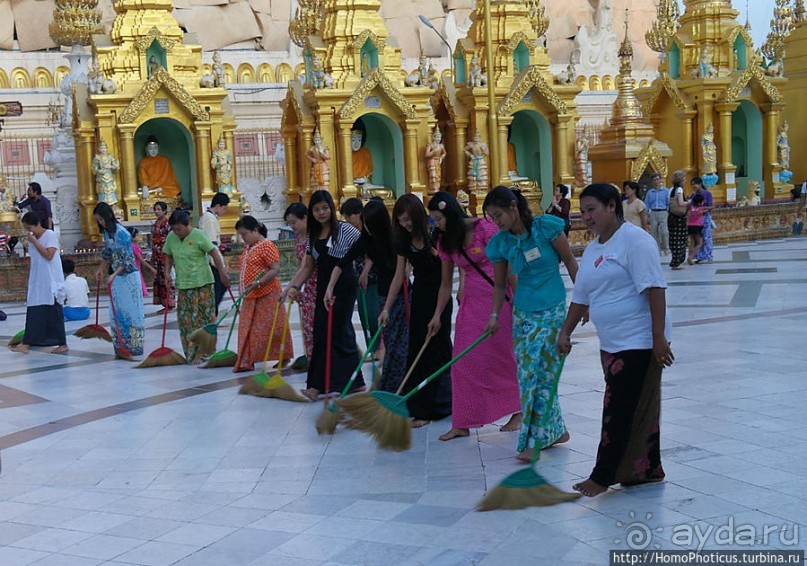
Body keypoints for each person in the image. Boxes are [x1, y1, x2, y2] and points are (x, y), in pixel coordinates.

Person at [558, 183, 671, 497]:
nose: (586, 217)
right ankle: (645, 470)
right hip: (611, 343)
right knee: (636, 408)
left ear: (612, 206)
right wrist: (565, 332)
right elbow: (581, 297)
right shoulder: (595, 247)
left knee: (617, 408)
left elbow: (655, 288)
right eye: (583, 211)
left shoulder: (635, 241)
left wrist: (659, 338)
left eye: (592, 209)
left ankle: (602, 475)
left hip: (639, 341)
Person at [483, 186, 579, 461]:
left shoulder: (546, 228)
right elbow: (500, 285)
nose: (497, 221)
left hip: (552, 308)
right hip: (524, 312)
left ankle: (532, 443)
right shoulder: (501, 243)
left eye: (499, 214)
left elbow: (571, 261)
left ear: (514, 207)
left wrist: (584, 301)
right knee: (527, 375)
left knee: (545, 373)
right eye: (492, 217)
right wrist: (493, 316)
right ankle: (557, 431)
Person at [427, 191, 521, 441]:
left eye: (439, 219)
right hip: (470, 304)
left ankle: (518, 408)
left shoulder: (484, 228)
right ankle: (462, 422)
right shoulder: (445, 240)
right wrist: (437, 315)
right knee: (461, 362)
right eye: (434, 220)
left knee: (502, 358)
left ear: (450, 213)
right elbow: (446, 284)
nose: (437, 225)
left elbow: (507, 265)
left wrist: (519, 299)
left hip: (497, 299)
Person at [282, 190, 364, 400]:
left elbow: (367, 245)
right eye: (316, 209)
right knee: (320, 332)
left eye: (325, 208)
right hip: (323, 286)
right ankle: (318, 385)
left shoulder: (345, 230)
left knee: (338, 330)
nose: (321, 212)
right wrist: (295, 286)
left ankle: (353, 383)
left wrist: (365, 271)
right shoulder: (313, 236)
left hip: (344, 285)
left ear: (331, 208)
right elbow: (309, 266)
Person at [379, 194, 452, 427]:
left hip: (440, 297)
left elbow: (447, 278)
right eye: (401, 220)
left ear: (418, 215)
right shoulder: (403, 241)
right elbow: (399, 276)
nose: (405, 224)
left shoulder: (436, 236)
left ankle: (437, 407)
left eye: (408, 219)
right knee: (418, 351)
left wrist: (439, 314)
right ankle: (418, 406)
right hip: (419, 299)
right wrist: (387, 308)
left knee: (436, 351)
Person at [328, 200, 407, 392]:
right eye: (366, 225)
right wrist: (330, 288)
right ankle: (390, 385)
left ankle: (400, 385)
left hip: (401, 296)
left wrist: (388, 307)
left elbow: (400, 276)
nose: (368, 230)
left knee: (401, 344)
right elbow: (343, 262)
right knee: (389, 340)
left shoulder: (396, 240)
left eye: (371, 226)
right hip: (383, 294)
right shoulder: (366, 239)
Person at [163, 209, 230, 364]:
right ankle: (191, 353)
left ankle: (203, 353)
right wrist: (167, 272)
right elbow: (167, 254)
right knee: (186, 321)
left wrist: (222, 273)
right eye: (174, 229)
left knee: (203, 319)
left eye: (179, 229)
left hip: (203, 284)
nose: (176, 232)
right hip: (184, 285)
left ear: (188, 225)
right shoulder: (171, 237)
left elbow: (214, 252)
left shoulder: (199, 235)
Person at [234, 215, 292, 372]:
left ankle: (283, 356)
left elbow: (275, 269)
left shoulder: (267, 246)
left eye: (245, 234)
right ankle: (246, 359)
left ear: (255, 230)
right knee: (247, 327)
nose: (243, 238)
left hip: (268, 293)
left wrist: (259, 282)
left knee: (272, 328)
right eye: (241, 235)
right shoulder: (248, 247)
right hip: (249, 294)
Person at [93, 202, 146, 358]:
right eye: (98, 221)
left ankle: (133, 346)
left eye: (101, 219)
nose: (100, 223)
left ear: (108, 216)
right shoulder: (107, 233)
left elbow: (127, 260)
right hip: (117, 278)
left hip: (128, 277)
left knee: (131, 311)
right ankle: (120, 345)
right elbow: (108, 253)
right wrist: (101, 268)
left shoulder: (122, 233)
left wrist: (113, 274)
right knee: (117, 311)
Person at [11, 212, 67, 354]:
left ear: (37, 224)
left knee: (54, 312)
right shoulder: (33, 239)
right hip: (38, 281)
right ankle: (28, 343)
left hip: (50, 281)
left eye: (30, 227)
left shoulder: (50, 235)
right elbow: (35, 261)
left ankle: (62, 343)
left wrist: (35, 242)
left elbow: (49, 255)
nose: (29, 231)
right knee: (34, 312)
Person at [340, 197, 380, 353]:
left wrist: (364, 273)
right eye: (345, 218)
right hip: (359, 278)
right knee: (364, 315)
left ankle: (379, 348)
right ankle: (372, 348)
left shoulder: (370, 229)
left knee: (373, 314)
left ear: (359, 213)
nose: (348, 221)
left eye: (349, 216)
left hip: (374, 277)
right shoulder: (351, 233)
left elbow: (372, 254)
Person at [285, 202, 316, 371]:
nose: (292, 226)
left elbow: (307, 266)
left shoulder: (314, 237)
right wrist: (297, 287)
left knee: (316, 325)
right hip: (307, 286)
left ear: (305, 218)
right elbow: (300, 265)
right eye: (289, 223)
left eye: (294, 222)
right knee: (307, 325)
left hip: (318, 284)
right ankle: (312, 360)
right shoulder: (297, 238)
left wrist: (292, 286)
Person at [199, 192, 230, 313]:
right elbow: (211, 243)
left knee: (219, 288)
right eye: (224, 208)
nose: (225, 211)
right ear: (218, 206)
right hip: (211, 260)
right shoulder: (210, 219)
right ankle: (212, 315)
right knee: (218, 287)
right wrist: (217, 263)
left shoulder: (210, 217)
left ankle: (212, 314)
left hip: (212, 258)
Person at [151, 201, 175, 310]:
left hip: (165, 254)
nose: (157, 212)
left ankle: (170, 303)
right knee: (159, 278)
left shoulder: (168, 223)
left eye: (159, 209)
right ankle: (163, 303)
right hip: (157, 255)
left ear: (165, 211)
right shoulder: (155, 224)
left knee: (166, 277)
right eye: (155, 209)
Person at [668, 170, 689, 270]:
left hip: (671, 216)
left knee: (673, 239)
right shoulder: (679, 189)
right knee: (680, 240)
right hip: (679, 218)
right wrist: (689, 202)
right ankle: (678, 262)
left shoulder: (671, 189)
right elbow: (681, 203)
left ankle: (674, 261)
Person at [644, 173, 669, 255]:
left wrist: (668, 212)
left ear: (660, 180)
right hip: (653, 212)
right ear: (652, 181)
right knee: (654, 232)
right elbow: (647, 204)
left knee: (664, 231)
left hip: (663, 212)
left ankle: (666, 248)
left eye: (657, 179)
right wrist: (646, 215)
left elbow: (668, 202)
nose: (656, 181)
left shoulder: (665, 191)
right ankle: (657, 249)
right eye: (654, 180)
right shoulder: (650, 192)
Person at [690, 177, 714, 263]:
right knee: (698, 238)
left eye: (694, 184)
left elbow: (712, 206)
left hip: (705, 217)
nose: (693, 186)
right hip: (696, 219)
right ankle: (699, 256)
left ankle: (708, 256)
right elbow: (692, 207)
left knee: (707, 237)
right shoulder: (693, 195)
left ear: (700, 184)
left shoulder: (708, 194)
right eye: (692, 184)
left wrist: (704, 209)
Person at [92, 140, 120, 206]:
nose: (103, 150)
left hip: (109, 176)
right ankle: (103, 204)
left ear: (107, 149)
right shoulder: (97, 157)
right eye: (101, 148)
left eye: (104, 148)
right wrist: (99, 171)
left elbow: (116, 166)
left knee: (111, 190)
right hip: (101, 178)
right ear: (99, 149)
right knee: (102, 190)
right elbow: (93, 168)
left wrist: (110, 166)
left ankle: (113, 204)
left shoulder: (110, 156)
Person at [425, 129, 447, 194]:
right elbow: (426, 155)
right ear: (433, 137)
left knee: (438, 175)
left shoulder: (441, 146)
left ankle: (437, 188)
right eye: (437, 137)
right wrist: (433, 152)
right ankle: (433, 188)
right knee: (433, 175)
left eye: (440, 137)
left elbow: (444, 153)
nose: (439, 139)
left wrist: (441, 158)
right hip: (432, 161)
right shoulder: (430, 145)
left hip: (438, 161)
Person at [687, 192, 706, 265]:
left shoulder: (691, 208)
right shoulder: (701, 208)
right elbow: (705, 209)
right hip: (697, 226)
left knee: (692, 242)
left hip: (690, 226)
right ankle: (691, 257)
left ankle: (689, 256)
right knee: (699, 243)